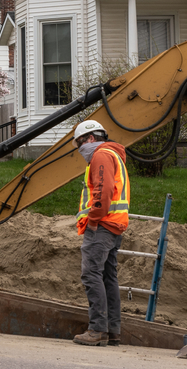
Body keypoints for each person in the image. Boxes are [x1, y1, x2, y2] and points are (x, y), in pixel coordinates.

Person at [71, 119, 130, 347]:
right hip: (114, 225)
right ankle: (112, 331)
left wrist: (94, 219)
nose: (80, 150)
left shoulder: (101, 155)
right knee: (108, 277)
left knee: (91, 275)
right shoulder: (114, 155)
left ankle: (97, 330)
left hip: (102, 225)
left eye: (80, 144)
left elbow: (103, 191)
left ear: (91, 139)